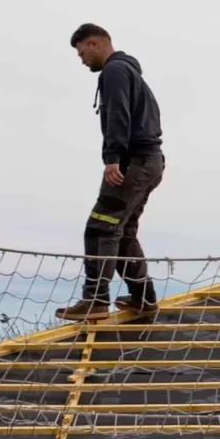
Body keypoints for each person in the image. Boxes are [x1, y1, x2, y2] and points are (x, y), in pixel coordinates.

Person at [56, 24, 165, 320]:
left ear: (94, 43)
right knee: (122, 230)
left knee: (101, 227)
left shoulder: (115, 72)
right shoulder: (130, 72)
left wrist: (113, 158)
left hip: (134, 160)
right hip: (150, 161)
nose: (81, 60)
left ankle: (95, 300)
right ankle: (143, 298)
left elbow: (118, 113)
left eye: (81, 53)